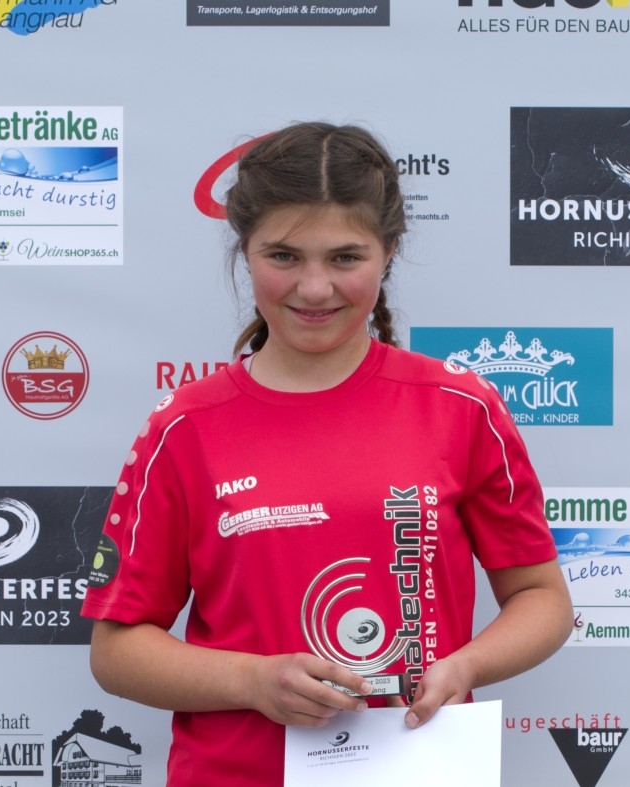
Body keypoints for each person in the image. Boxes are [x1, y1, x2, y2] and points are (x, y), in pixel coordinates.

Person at [82, 121, 572, 786]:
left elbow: (541, 598)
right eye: (284, 256)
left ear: (389, 252)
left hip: (417, 769)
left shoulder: (461, 406)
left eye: (345, 258)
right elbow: (116, 652)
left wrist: (465, 666)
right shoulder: (184, 427)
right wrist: (253, 680)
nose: (314, 288)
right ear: (245, 251)